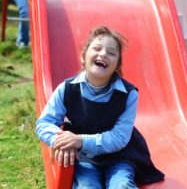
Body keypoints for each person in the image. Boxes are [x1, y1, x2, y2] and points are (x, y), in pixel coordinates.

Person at [36, 26, 164, 188]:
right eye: (96, 48)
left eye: (111, 53)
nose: (103, 54)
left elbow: (119, 137)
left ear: (117, 66)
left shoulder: (129, 94)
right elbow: (44, 122)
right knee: (86, 186)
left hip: (121, 155)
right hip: (85, 157)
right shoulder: (67, 88)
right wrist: (61, 141)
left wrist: (79, 140)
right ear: (83, 57)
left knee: (122, 185)